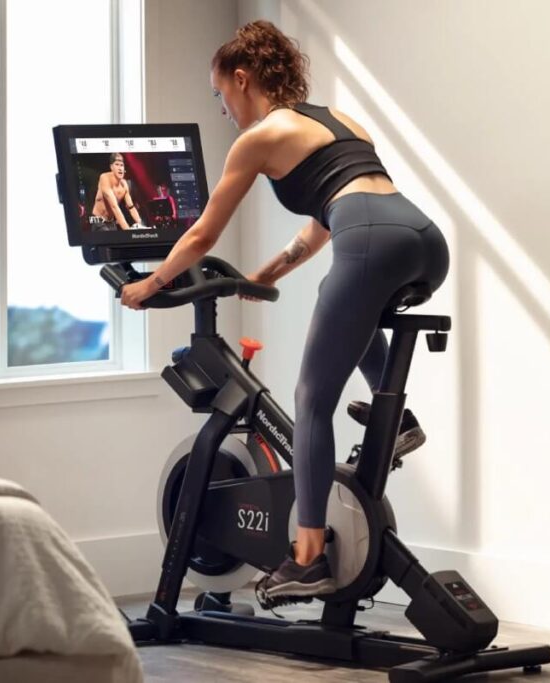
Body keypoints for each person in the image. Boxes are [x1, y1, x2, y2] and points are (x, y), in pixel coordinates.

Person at [120, 20, 449, 604]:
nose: (224, 110)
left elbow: (200, 234)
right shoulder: (337, 119)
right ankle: (398, 422)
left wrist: (150, 284)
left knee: (309, 401)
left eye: (222, 95)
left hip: (372, 241)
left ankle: (308, 558)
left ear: (242, 79)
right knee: (354, 302)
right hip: (422, 238)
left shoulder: (259, 138)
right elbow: (335, 211)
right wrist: (270, 272)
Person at [91, 152, 143, 230]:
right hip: (98, 221)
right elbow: (114, 207)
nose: (120, 168)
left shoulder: (124, 185)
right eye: (117, 164)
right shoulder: (104, 178)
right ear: (111, 167)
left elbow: (131, 207)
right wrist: (128, 231)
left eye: (121, 165)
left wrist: (140, 224)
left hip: (111, 222)